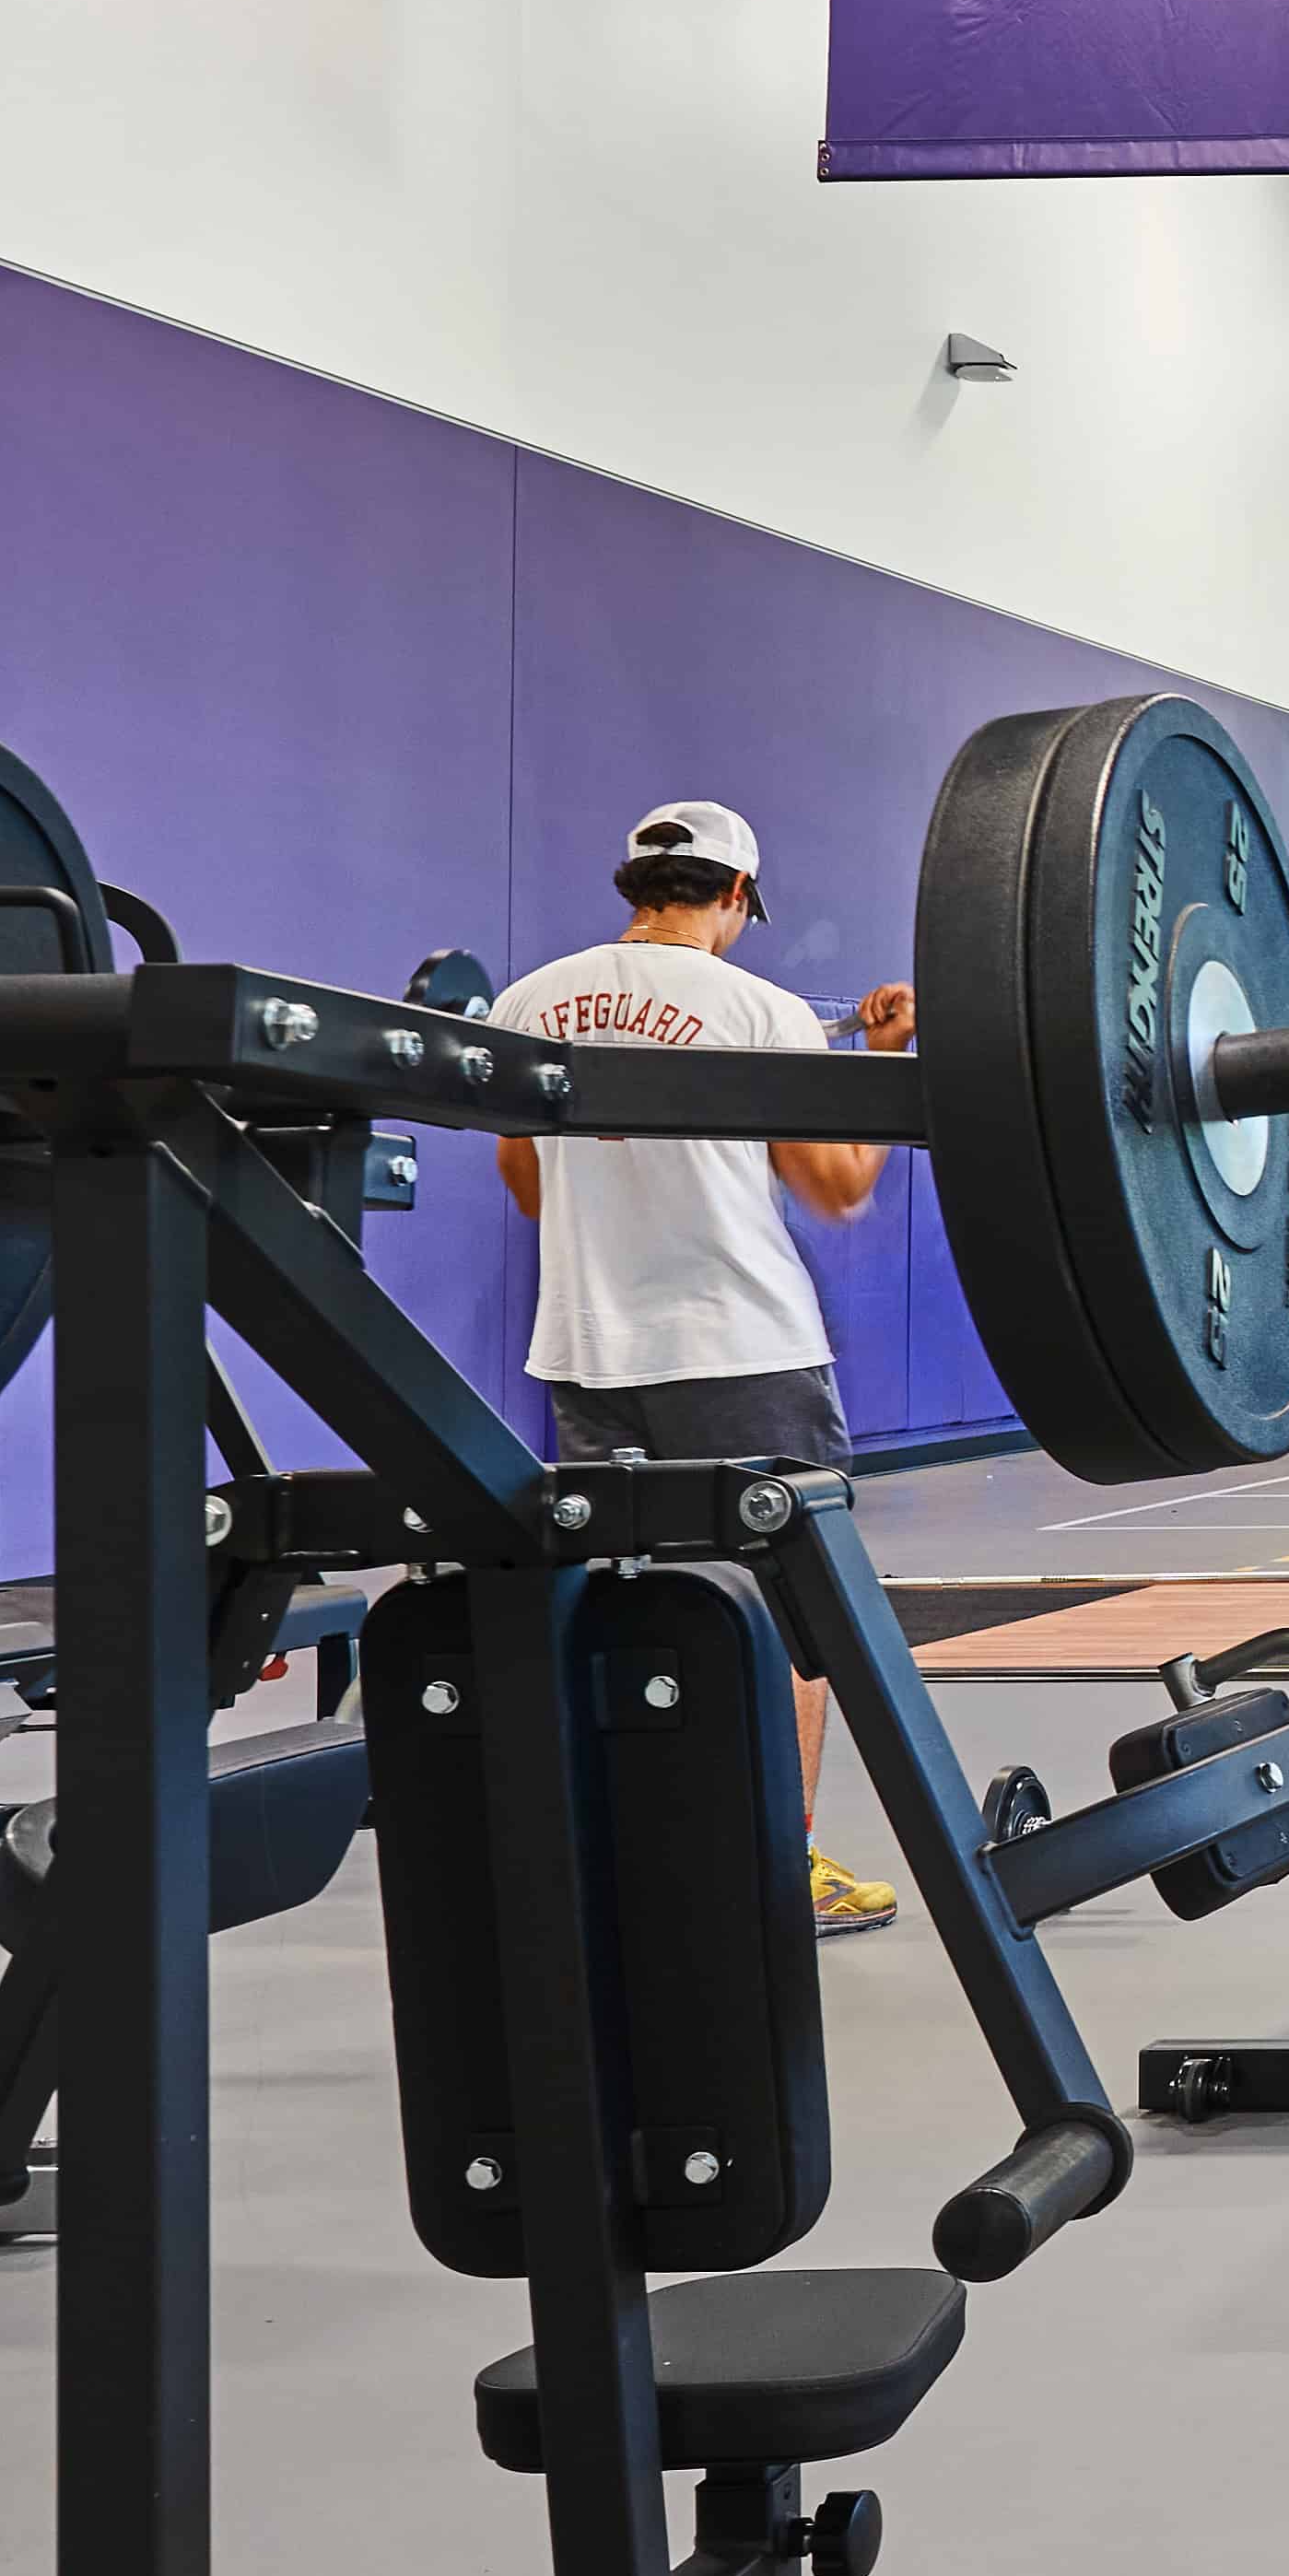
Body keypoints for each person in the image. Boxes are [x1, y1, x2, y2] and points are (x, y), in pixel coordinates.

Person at [486, 797, 917, 1941]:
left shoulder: (529, 1004)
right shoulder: (762, 1010)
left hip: (588, 1348)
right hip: (742, 1348)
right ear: (735, 895)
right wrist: (884, 1060)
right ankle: (781, 1865)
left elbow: (525, 1185)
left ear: (633, 888)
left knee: (629, 1601)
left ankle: (642, 1858)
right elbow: (838, 1185)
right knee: (794, 1611)